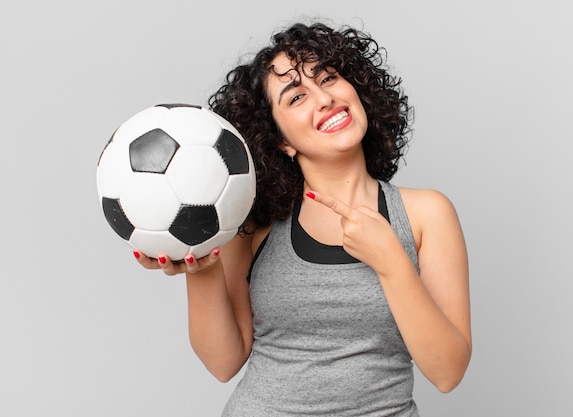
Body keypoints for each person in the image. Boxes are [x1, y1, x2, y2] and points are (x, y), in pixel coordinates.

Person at [135, 21, 471, 416]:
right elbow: (223, 364)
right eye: (296, 98)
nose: (324, 99)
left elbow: (448, 372)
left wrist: (392, 262)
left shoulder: (425, 213)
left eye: (328, 77)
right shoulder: (254, 225)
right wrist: (201, 271)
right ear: (280, 140)